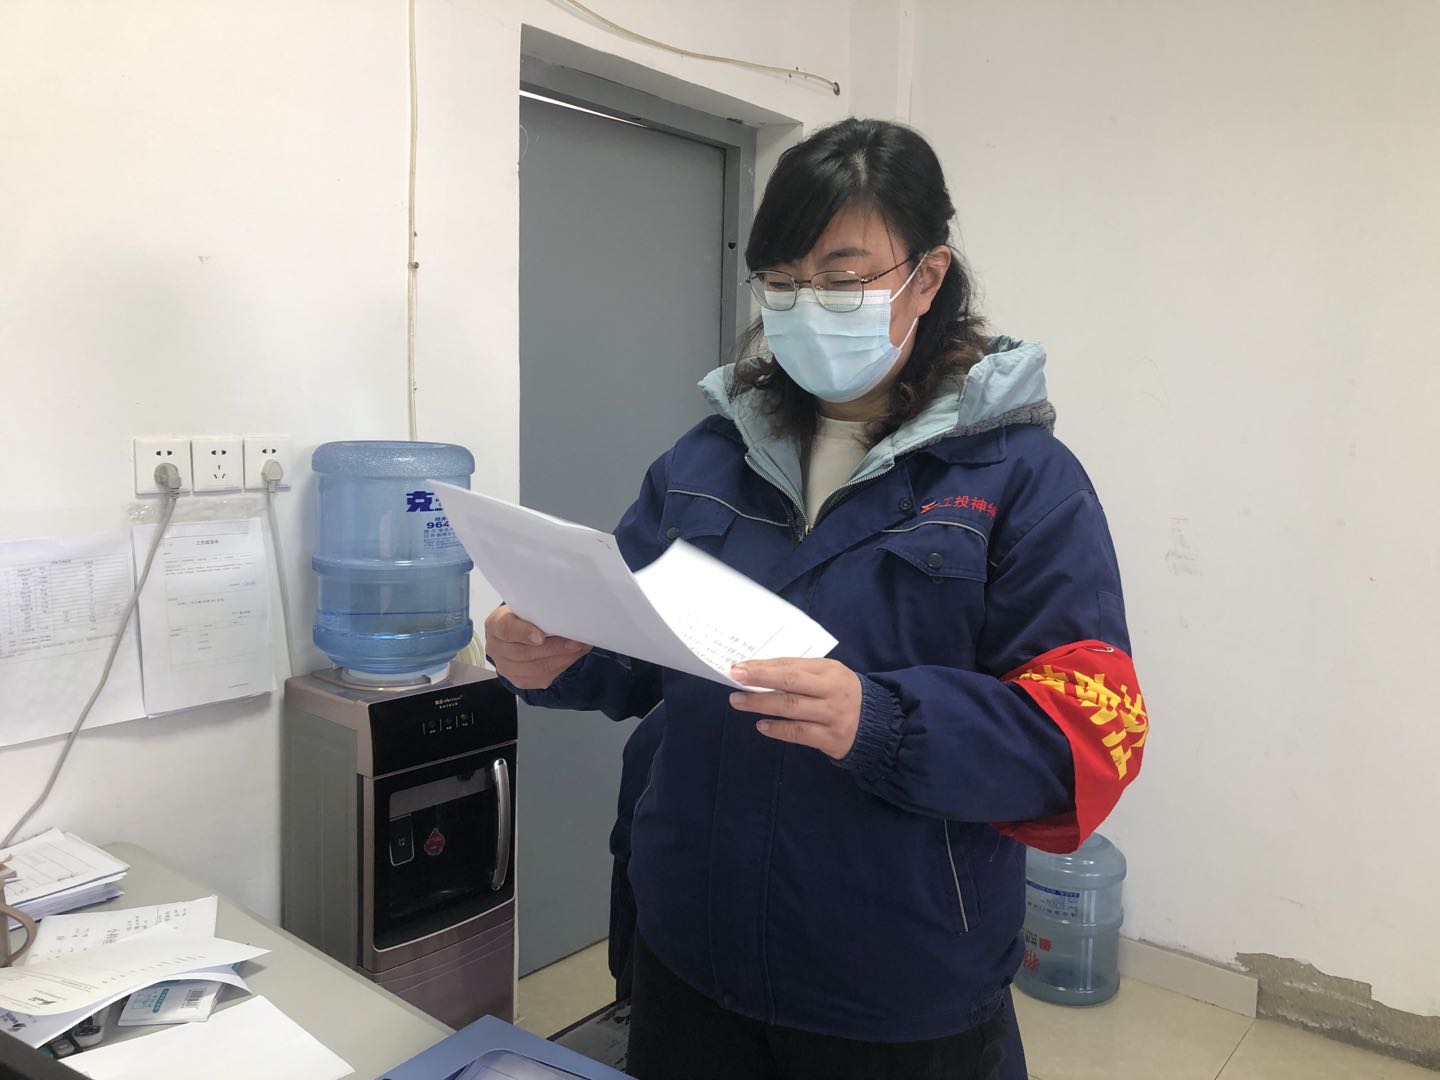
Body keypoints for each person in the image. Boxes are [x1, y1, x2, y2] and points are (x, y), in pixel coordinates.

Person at [487, 117, 1149, 1080]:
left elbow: (1087, 739)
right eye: (783, 282)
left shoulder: (1021, 481)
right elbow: (638, 643)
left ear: (926, 278)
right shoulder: (708, 459)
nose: (808, 307)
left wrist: (882, 721)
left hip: (894, 980)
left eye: (842, 280)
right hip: (689, 948)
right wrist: (554, 652)